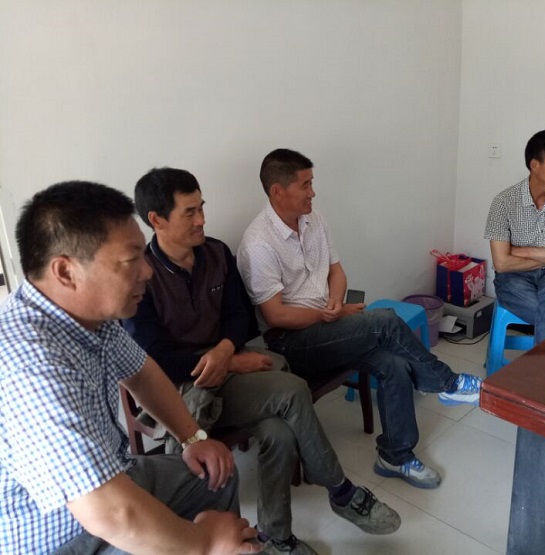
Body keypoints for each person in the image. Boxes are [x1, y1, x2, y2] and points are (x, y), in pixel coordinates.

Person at [123, 168, 399, 555]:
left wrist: (225, 351)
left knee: (280, 430)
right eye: (189, 212)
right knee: (291, 394)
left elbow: (241, 318)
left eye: (202, 208)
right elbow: (153, 358)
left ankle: (275, 537)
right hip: (181, 393)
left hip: (229, 373)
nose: (202, 219)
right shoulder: (142, 277)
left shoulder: (216, 253)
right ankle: (339, 492)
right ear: (157, 219)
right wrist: (228, 361)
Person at [0, 181, 260, 554]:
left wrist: (192, 438)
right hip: (64, 536)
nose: (147, 272)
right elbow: (110, 513)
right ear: (66, 272)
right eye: (130, 260)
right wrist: (204, 543)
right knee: (211, 542)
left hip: (115, 476)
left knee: (215, 474)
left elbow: (142, 372)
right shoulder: (30, 366)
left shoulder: (90, 315)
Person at [237, 148, 482, 491]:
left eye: (312, 183)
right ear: (278, 191)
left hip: (329, 325)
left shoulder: (314, 219)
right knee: (384, 320)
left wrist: (336, 303)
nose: (313, 192)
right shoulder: (258, 244)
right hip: (291, 342)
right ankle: (446, 382)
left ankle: (395, 456)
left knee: (394, 364)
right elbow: (275, 315)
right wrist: (329, 314)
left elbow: (336, 271)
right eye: (305, 185)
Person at [483, 129, 545, 344]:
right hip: (512, 278)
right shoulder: (503, 202)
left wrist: (523, 251)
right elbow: (502, 264)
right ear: (535, 164)